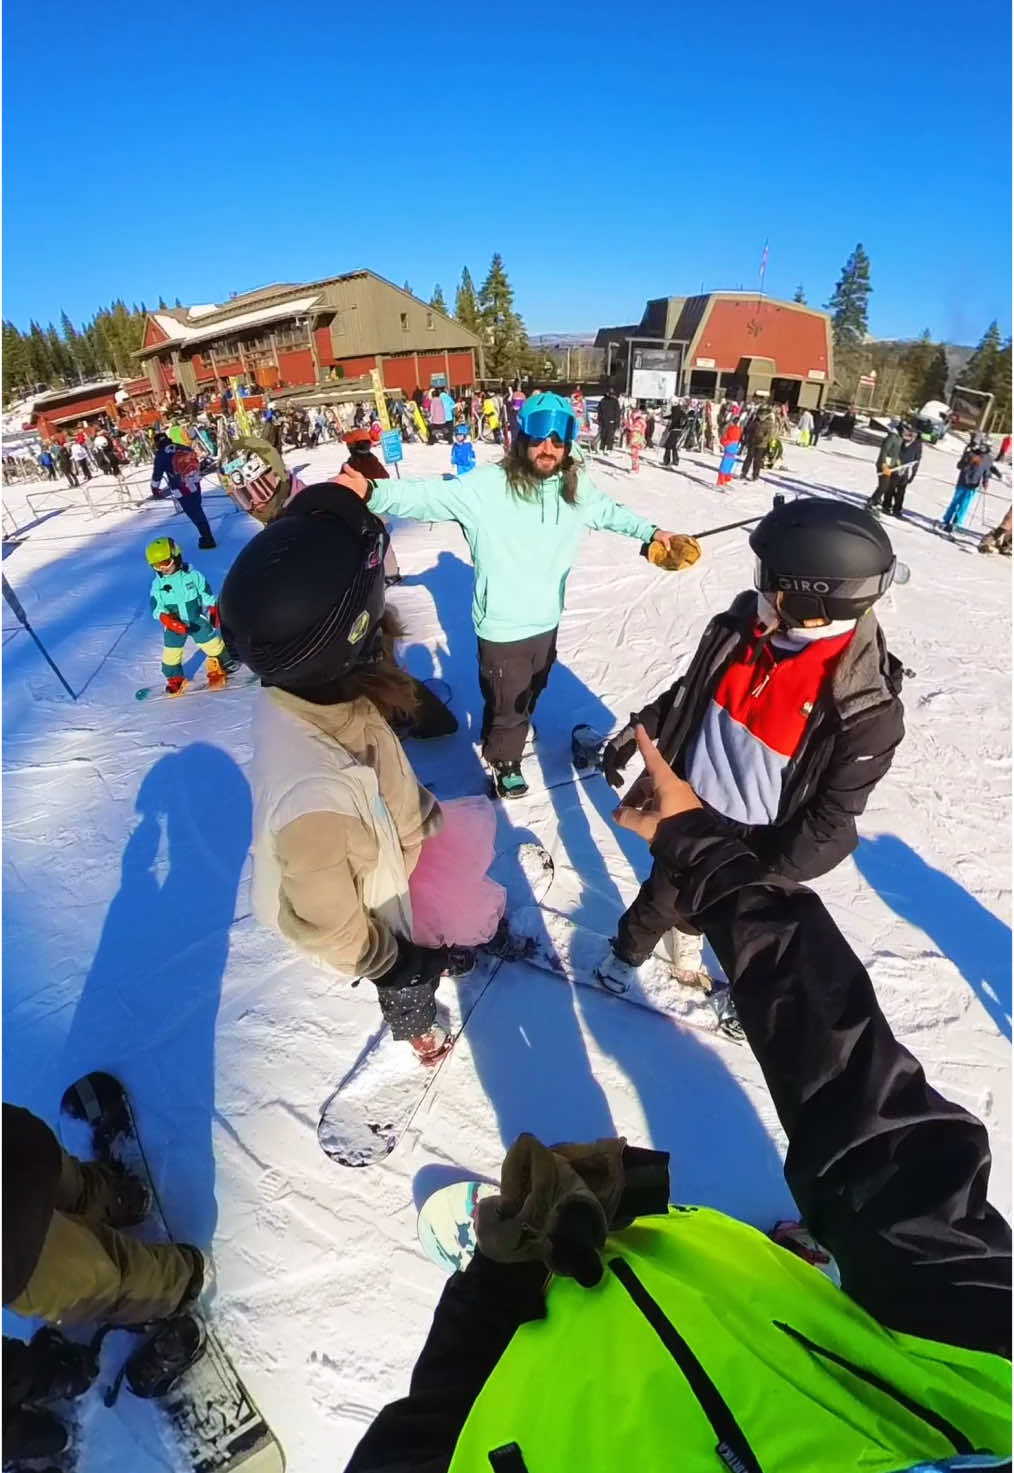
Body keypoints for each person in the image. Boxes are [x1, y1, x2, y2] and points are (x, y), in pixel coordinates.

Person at [345, 729, 1011, 1473]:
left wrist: (497, 1287)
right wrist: (702, 850)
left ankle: (548, 1286)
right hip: (751, 1303)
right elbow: (868, 1107)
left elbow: (414, 1451)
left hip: (533, 1376)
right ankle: (815, 1290)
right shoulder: (988, 1393)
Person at [219, 484, 505, 1064]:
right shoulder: (314, 803)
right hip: (375, 912)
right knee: (408, 973)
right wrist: (392, 963)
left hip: (390, 847)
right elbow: (328, 923)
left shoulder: (319, 691)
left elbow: (374, 762)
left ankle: (435, 946)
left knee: (435, 904)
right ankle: (416, 1024)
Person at [602, 497, 904, 986]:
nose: (758, 588)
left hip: (755, 837)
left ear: (813, 599)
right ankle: (626, 953)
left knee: (720, 913)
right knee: (660, 896)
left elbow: (832, 816)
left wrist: (768, 871)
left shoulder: (863, 711)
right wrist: (638, 731)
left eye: (772, 580)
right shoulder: (741, 629)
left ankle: (692, 937)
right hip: (690, 804)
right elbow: (688, 692)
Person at [333, 392, 691, 799]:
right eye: (540, 437)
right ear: (523, 438)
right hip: (502, 627)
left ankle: (506, 725)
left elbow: (610, 511)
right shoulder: (488, 487)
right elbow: (429, 496)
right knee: (509, 702)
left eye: (558, 441)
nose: (548, 448)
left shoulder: (575, 487)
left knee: (531, 689)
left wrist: (651, 533)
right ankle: (504, 759)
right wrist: (372, 493)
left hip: (547, 619)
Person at [3, 1100, 204, 1333]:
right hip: (14, 1252)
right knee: (100, 1278)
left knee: (69, 1188)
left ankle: (111, 1198)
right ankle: (177, 1286)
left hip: (17, 1153)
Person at [145, 536, 235, 696]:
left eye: (165, 563)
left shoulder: (192, 575)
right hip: (173, 624)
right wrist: (167, 619)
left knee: (211, 642)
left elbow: (205, 592)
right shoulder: (158, 584)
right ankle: (175, 678)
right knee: (171, 654)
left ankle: (220, 662)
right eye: (157, 566)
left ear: (176, 556)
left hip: (194, 618)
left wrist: (214, 608)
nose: (162, 569)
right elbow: (156, 605)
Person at [150, 432, 216, 548]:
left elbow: (157, 474)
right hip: (194, 481)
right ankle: (206, 535)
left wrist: (154, 488)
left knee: (193, 512)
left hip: (180, 487)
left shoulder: (161, 455)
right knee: (197, 508)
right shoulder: (181, 447)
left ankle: (207, 538)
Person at [940, 433, 1002, 534]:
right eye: (982, 446)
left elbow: (986, 472)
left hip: (974, 485)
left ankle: (956, 523)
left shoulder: (988, 459)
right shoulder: (971, 454)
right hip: (963, 481)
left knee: (964, 505)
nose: (983, 448)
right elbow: (959, 466)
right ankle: (946, 520)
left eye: (986, 447)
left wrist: (985, 481)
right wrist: (969, 461)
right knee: (955, 502)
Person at [868, 420, 922, 519]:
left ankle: (877, 503)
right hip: (887, 466)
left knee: (890, 487)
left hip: (896, 468)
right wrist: (884, 464)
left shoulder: (902, 440)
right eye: (907, 431)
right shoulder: (893, 437)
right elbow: (884, 451)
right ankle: (874, 503)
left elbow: (897, 455)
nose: (908, 434)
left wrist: (900, 465)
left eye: (909, 432)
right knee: (885, 486)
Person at [740, 403, 775, 480]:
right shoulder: (755, 420)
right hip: (752, 441)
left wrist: (762, 439)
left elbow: (770, 435)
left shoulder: (770, 422)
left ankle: (755, 475)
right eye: (761, 412)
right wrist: (747, 436)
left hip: (761, 444)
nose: (762, 414)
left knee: (757, 460)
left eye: (764, 412)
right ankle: (744, 472)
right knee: (748, 458)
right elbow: (749, 429)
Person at [716, 412, 741, 486]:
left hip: (733, 446)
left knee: (729, 463)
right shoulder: (730, 428)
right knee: (727, 463)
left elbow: (724, 437)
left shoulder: (735, 428)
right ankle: (722, 480)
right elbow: (724, 437)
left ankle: (725, 479)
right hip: (731, 446)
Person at [661, 401, 685, 467]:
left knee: (668, 445)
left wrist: (663, 417)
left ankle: (667, 461)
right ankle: (675, 460)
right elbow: (685, 417)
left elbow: (671, 416)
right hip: (679, 430)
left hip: (673, 430)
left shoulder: (674, 410)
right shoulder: (681, 411)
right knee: (673, 445)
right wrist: (683, 426)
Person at [626, 404, 647, 473]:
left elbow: (634, 428)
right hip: (637, 438)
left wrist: (627, 425)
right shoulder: (639, 421)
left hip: (636, 438)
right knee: (634, 454)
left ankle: (635, 468)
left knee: (635, 454)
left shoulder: (639, 421)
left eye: (632, 416)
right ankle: (634, 467)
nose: (632, 418)